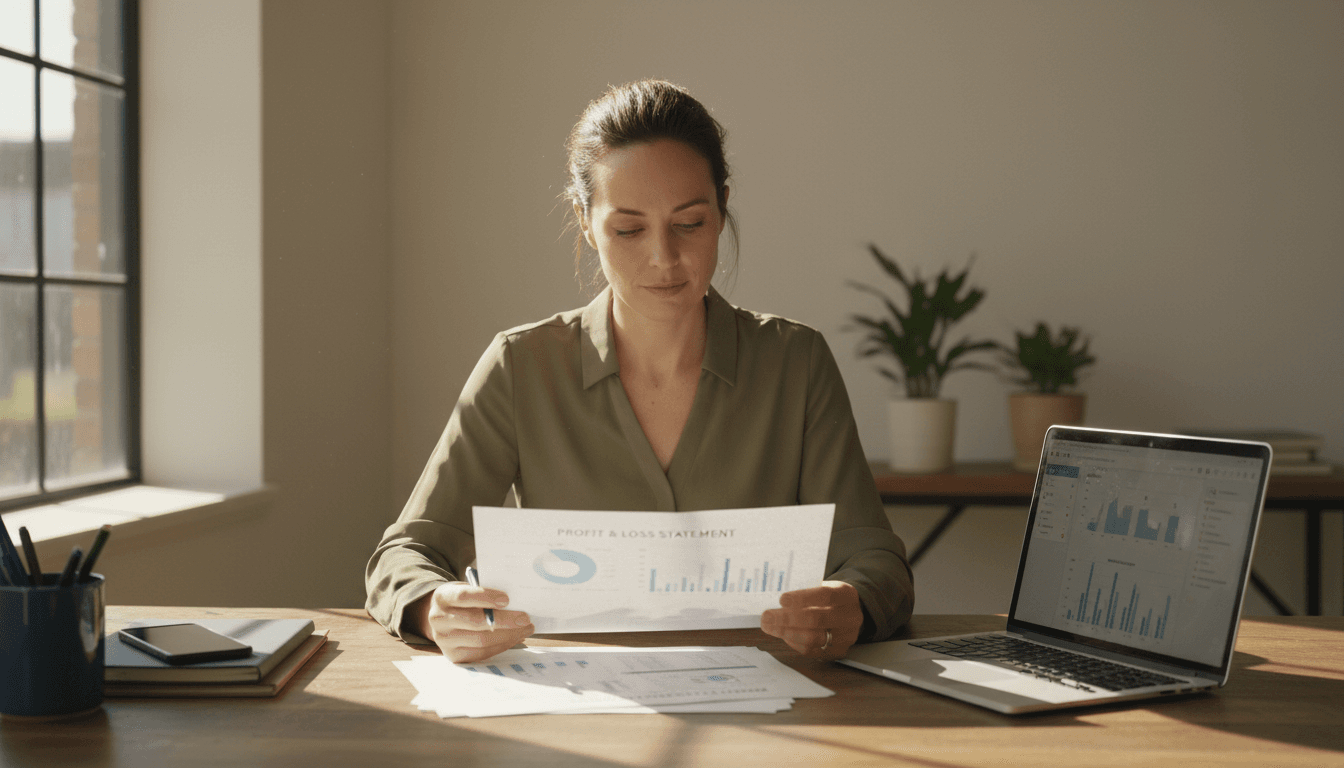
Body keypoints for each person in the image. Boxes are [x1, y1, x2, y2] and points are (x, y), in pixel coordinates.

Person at [365, 79, 914, 663]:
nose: (663, 257)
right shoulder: (522, 366)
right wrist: (434, 605)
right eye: (628, 229)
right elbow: (405, 553)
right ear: (584, 220)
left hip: (766, 705)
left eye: (690, 224)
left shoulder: (795, 363)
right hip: (576, 710)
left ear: (722, 209)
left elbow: (876, 559)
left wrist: (849, 601)